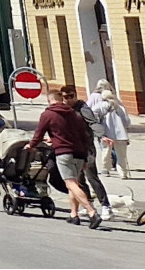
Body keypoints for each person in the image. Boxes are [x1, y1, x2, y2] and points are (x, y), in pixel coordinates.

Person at [37, 83, 100, 226]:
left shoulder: (48, 114)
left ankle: (91, 212)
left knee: (70, 183)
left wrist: (31, 145)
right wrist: (85, 156)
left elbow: (38, 134)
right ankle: (74, 214)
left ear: (49, 100)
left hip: (64, 152)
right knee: (74, 183)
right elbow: (83, 135)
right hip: (79, 153)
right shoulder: (74, 114)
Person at [88, 82, 131, 180]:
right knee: (122, 155)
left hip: (107, 133)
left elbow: (92, 115)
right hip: (121, 134)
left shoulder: (100, 106)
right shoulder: (120, 107)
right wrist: (125, 128)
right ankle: (123, 173)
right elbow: (126, 121)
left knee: (106, 152)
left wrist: (98, 124)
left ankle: (105, 169)